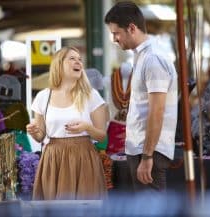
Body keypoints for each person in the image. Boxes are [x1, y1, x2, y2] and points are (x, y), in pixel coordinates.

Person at [105, 1, 178, 192]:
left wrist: (147, 157)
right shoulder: (143, 56)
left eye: (116, 33)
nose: (114, 39)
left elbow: (157, 110)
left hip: (149, 152)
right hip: (142, 149)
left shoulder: (153, 59)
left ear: (131, 28)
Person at [26, 46, 108, 200]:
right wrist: (35, 132)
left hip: (83, 157)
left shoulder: (91, 95)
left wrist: (87, 127)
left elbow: (102, 136)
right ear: (59, 64)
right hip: (53, 158)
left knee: (85, 209)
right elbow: (40, 136)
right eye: (72, 58)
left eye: (80, 59)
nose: (78, 62)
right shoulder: (43, 97)